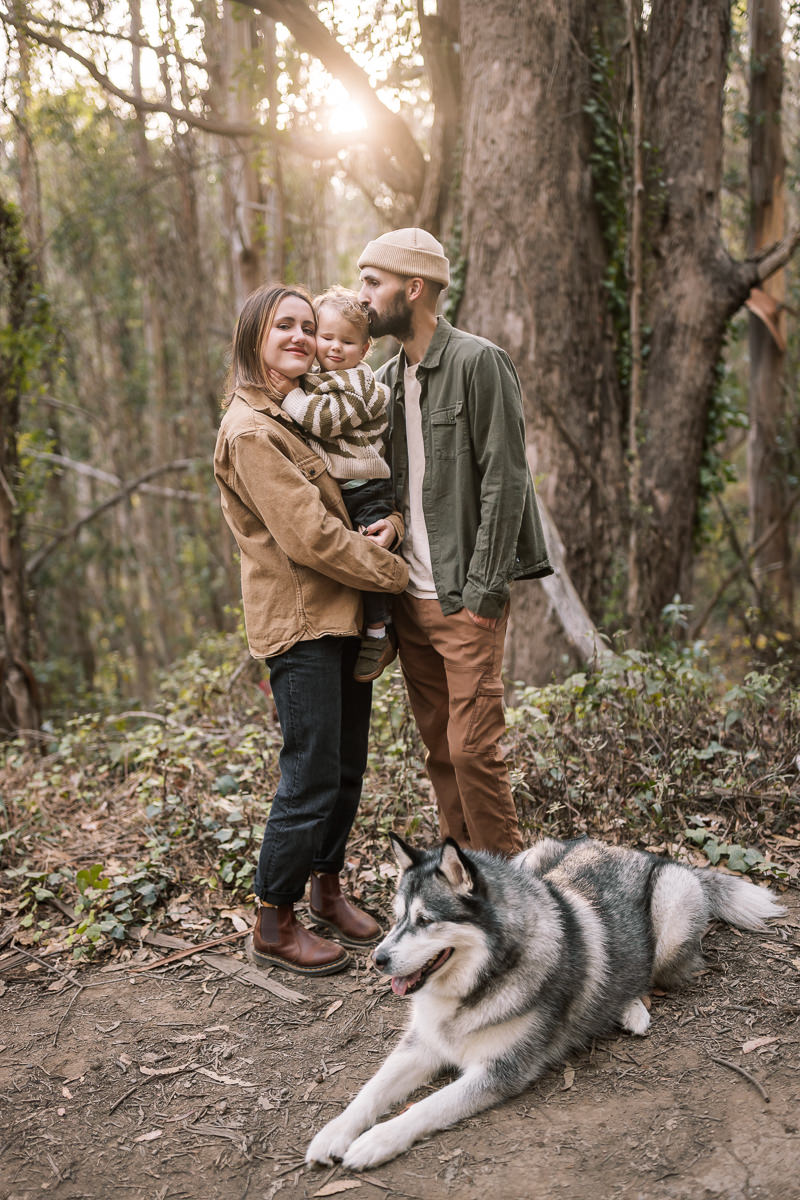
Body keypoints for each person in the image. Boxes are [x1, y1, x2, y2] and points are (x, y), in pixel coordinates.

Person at [213, 283, 409, 976]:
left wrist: (395, 525)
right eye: (283, 326)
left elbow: (360, 493)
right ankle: (275, 917)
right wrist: (397, 573)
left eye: (306, 325)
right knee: (309, 774)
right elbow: (312, 538)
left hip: (344, 614)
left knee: (345, 765)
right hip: (301, 625)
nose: (299, 336)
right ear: (253, 337)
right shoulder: (251, 430)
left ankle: (328, 889)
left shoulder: (307, 410)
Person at [356, 228, 553, 857]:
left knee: (474, 752)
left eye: (372, 282)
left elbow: (506, 479)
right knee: (441, 750)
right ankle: (461, 882)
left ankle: (515, 888)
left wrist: (483, 592)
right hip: (409, 603)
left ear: (413, 290)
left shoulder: (478, 361)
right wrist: (389, 522)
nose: (363, 297)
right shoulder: (385, 380)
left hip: (462, 596)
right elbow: (395, 482)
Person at [276, 286, 397, 683]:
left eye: (347, 342)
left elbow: (323, 421)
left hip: (365, 487)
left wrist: (290, 396)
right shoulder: (317, 377)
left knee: (369, 554)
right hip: (341, 487)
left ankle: (379, 630)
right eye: (326, 337)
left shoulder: (360, 385)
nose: (334, 348)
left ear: (364, 351)